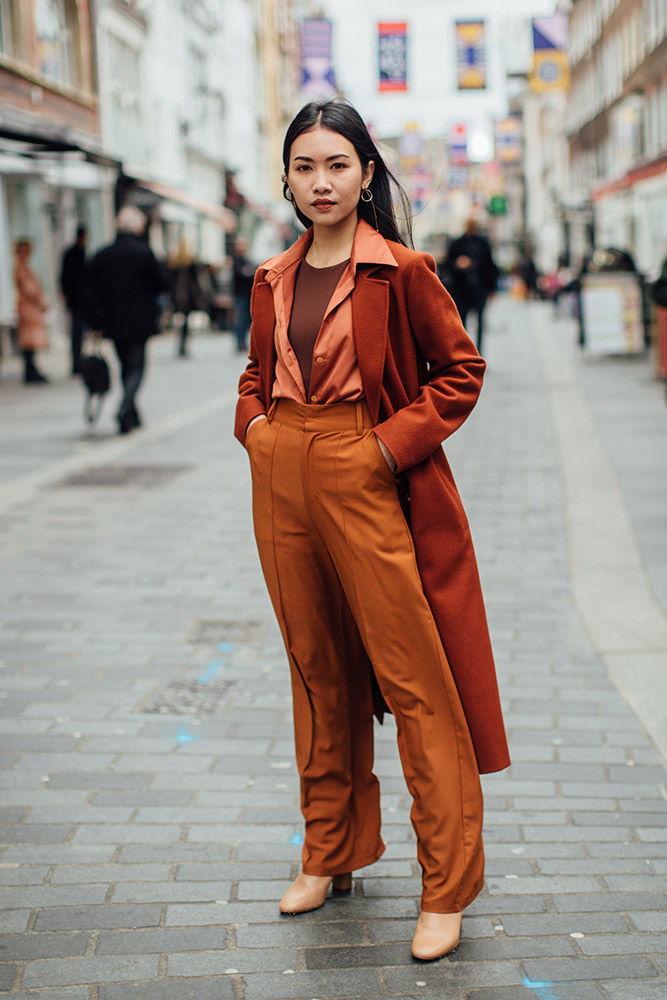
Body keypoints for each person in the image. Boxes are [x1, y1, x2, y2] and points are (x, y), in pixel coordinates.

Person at [235, 99, 509, 962]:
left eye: (338, 165)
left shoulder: (399, 269)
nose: (321, 182)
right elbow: (252, 368)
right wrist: (254, 427)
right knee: (316, 671)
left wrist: (385, 449)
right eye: (305, 166)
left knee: (413, 675)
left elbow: (459, 369)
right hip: (281, 470)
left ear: (365, 174)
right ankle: (330, 851)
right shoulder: (271, 276)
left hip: (364, 465)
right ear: (285, 177)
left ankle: (446, 884)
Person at [87, 206, 167, 434]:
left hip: (112, 320)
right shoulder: (144, 253)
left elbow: (91, 293)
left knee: (125, 365)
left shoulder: (102, 255)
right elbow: (162, 283)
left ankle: (131, 412)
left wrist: (93, 322)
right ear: (137, 227)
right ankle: (125, 407)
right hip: (140, 320)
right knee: (137, 367)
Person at [444, 217, 498, 353]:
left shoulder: (483, 244)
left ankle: (478, 353)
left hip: (479, 289)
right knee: (461, 323)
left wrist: (491, 289)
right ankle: (465, 352)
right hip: (461, 290)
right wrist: (458, 264)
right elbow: (448, 266)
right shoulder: (457, 244)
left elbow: (490, 267)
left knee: (480, 322)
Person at [13, 239, 49, 384]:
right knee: (29, 340)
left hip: (30, 307)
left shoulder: (24, 267)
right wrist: (40, 302)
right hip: (28, 308)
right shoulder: (21, 268)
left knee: (30, 342)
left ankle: (32, 370)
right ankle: (30, 371)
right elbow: (29, 289)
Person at [60, 225, 88, 374]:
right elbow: (66, 277)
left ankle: (78, 361)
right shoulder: (75, 254)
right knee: (77, 332)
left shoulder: (76, 253)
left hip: (76, 299)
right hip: (77, 300)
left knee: (78, 332)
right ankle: (77, 362)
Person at [169, 238, 202, 358]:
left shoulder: (174, 263)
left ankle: (180, 344)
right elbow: (196, 281)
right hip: (189, 296)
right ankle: (184, 344)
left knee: (179, 320)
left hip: (177, 295)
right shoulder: (191, 262)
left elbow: (169, 281)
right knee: (186, 321)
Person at [231, 237, 255, 352]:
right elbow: (242, 274)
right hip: (240, 294)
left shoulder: (247, 259)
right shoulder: (235, 260)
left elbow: (251, 273)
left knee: (248, 319)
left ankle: (247, 343)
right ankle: (240, 343)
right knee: (240, 319)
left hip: (249, 294)